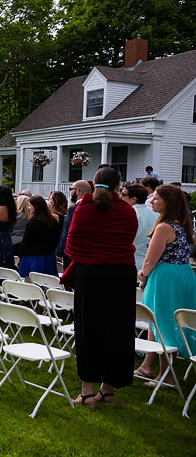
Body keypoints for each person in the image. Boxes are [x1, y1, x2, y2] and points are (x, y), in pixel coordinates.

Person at [62, 166, 138, 405]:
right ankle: (108, 390)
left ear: (94, 184)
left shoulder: (82, 209)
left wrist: (88, 258)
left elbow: (70, 245)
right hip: (121, 275)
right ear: (119, 186)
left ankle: (87, 393)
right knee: (117, 330)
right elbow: (128, 239)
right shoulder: (127, 210)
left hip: (91, 275)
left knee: (89, 329)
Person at [135, 185, 196, 385]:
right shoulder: (182, 224)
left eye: (156, 199)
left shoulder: (164, 227)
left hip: (165, 277)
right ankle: (147, 366)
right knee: (161, 322)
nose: (151, 201)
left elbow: (150, 261)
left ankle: (167, 376)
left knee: (162, 324)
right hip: (183, 275)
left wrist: (142, 276)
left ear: (168, 203)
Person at [17, 195, 60, 279]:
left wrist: (19, 256)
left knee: (31, 283)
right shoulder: (53, 221)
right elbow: (56, 240)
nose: (28, 208)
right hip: (48, 256)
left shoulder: (32, 222)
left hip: (32, 257)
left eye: (30, 205)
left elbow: (26, 241)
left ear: (36, 207)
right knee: (47, 282)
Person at [121, 183, 158, 270]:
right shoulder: (157, 215)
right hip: (152, 266)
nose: (120, 197)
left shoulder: (127, 215)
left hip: (131, 263)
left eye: (123, 194)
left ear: (133, 199)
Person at [56, 180, 91, 269]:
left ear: (77, 191)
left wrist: (59, 252)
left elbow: (67, 231)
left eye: (71, 189)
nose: (70, 192)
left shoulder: (74, 209)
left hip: (73, 253)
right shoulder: (95, 207)